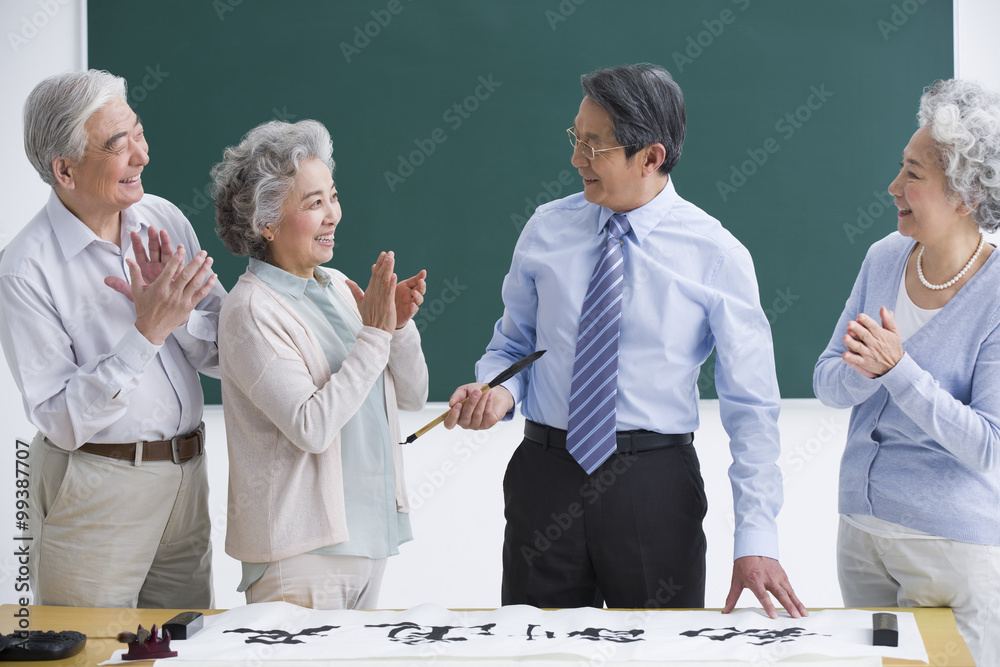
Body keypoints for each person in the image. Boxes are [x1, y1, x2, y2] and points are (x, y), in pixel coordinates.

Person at [444, 63, 805, 617]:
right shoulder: (546, 228)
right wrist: (498, 391)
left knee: (657, 654)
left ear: (651, 157)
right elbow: (513, 346)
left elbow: (751, 406)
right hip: (546, 474)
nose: (575, 159)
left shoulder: (716, 254)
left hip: (653, 486)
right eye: (575, 138)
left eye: (594, 145)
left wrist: (757, 538)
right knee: (533, 655)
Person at [0, 70, 224, 608]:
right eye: (118, 145)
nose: (142, 155)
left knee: (182, 646)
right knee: (88, 653)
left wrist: (179, 317)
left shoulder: (162, 217)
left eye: (139, 133)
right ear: (65, 170)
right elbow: (59, 419)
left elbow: (221, 351)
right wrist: (145, 332)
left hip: (186, 478)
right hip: (96, 485)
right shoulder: (25, 269)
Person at [813, 78, 1000, 666]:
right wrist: (866, 373)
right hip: (862, 536)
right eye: (901, 168)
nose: (894, 186)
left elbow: (989, 446)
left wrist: (897, 371)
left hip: (951, 552)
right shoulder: (883, 258)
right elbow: (826, 380)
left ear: (966, 194)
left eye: (913, 175)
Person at [213, 119, 428, 609]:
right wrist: (373, 336)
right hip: (302, 556)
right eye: (313, 203)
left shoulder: (337, 286)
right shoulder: (251, 310)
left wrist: (396, 327)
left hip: (370, 539)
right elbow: (310, 426)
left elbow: (412, 394)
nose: (332, 214)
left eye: (332, 195)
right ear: (265, 223)